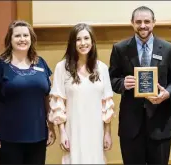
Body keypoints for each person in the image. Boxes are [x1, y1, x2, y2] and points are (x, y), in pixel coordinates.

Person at [109, 6, 171, 164]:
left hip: (160, 123)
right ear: (132, 23)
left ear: (154, 23)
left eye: (147, 21)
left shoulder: (169, 49)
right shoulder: (120, 49)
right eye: (139, 22)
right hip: (131, 125)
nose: (143, 26)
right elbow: (112, 80)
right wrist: (123, 83)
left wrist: (167, 93)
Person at [0, 20, 55, 164]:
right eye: (17, 36)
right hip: (8, 137)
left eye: (26, 35)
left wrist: (51, 127)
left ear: (31, 39)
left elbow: (48, 97)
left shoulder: (40, 63)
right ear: (10, 39)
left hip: (38, 136)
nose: (22, 39)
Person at [48, 23, 114, 164]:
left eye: (86, 38)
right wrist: (62, 132)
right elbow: (58, 103)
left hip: (96, 130)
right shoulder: (62, 67)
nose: (83, 43)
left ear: (92, 42)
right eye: (78, 39)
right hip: (73, 129)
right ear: (73, 43)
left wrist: (107, 133)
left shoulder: (102, 68)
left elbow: (107, 105)